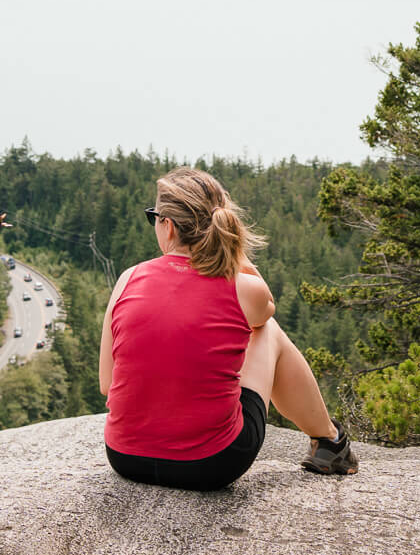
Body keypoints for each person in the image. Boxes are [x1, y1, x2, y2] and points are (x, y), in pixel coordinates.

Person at [98, 165, 357, 490]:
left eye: (155, 218)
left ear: (168, 227)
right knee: (268, 330)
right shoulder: (245, 289)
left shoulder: (127, 279)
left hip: (125, 457)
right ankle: (330, 441)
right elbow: (264, 313)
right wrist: (234, 256)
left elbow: (108, 385)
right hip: (211, 464)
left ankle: (328, 440)